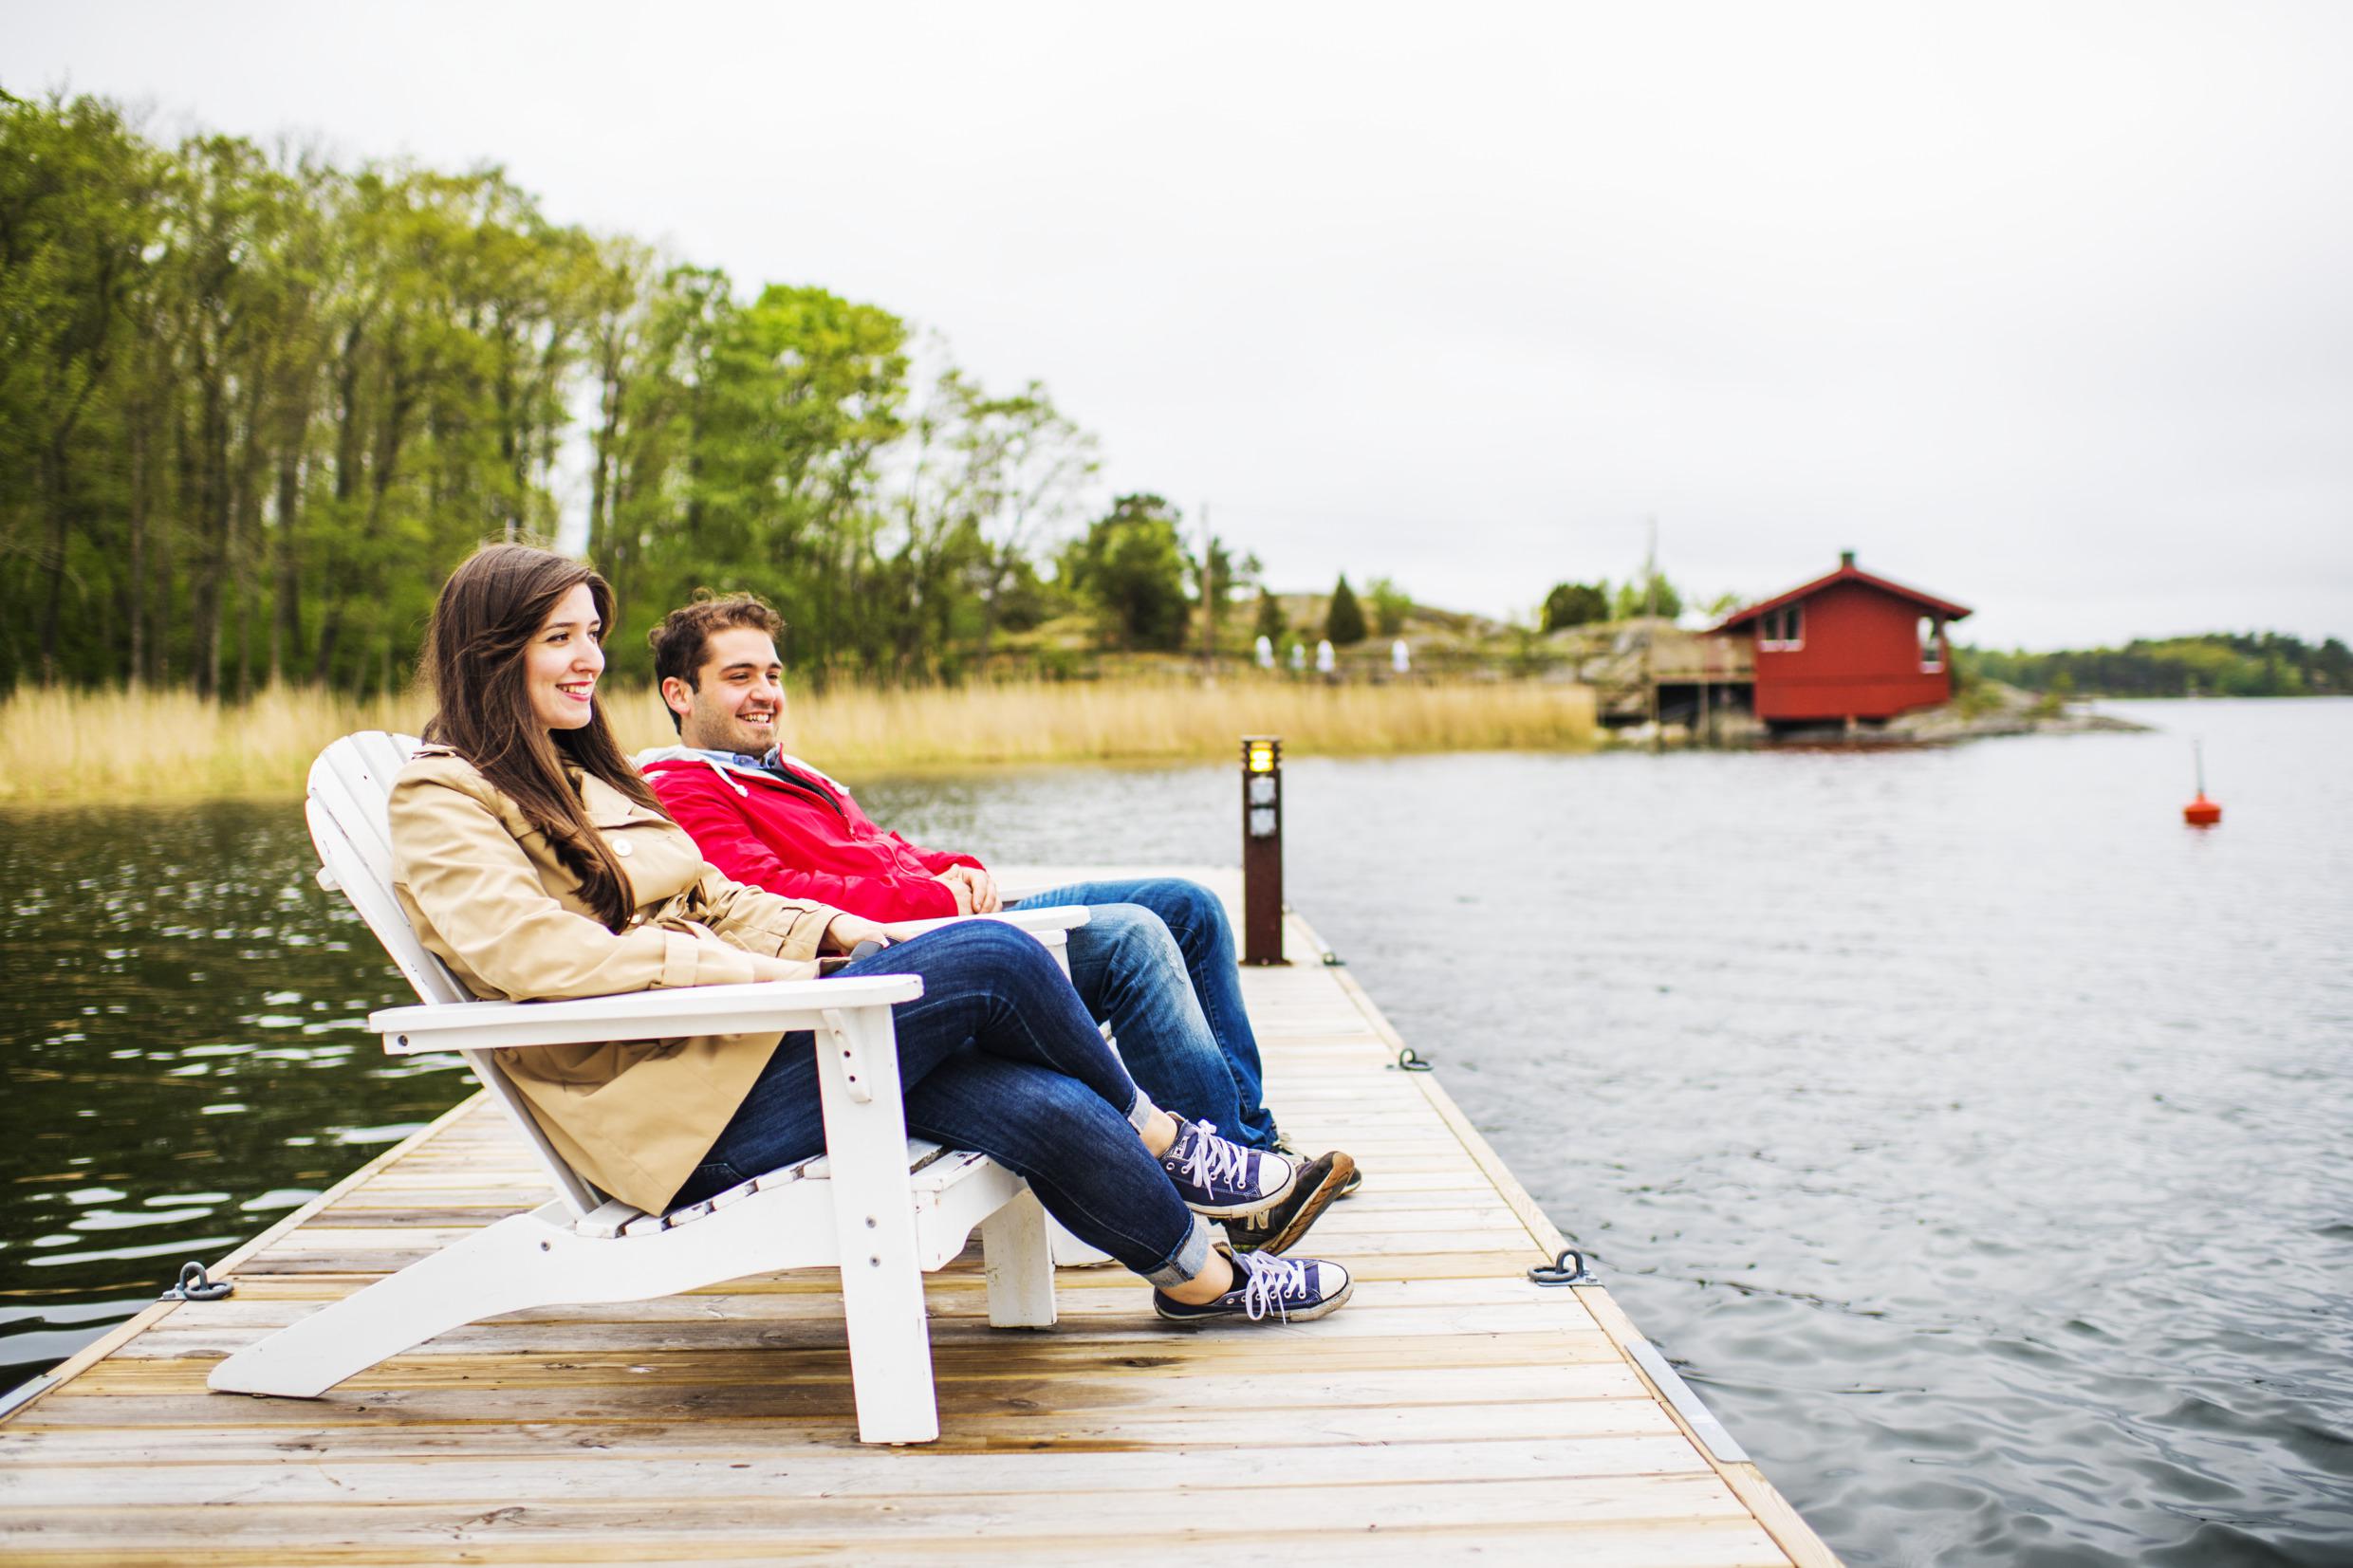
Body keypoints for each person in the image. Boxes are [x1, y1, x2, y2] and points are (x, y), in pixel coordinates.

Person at [384, 544, 1352, 1326]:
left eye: (591, 634)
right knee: (997, 958)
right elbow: (532, 959)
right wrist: (738, 974)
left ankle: (1202, 1282)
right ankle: (1174, 1142)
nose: (588, 659)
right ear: (491, 648)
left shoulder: (585, 779)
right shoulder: (444, 795)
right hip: (680, 1114)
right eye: (560, 638)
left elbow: (721, 899)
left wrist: (837, 933)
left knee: (1040, 1099)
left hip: (746, 1051)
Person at [632, 595, 1362, 1246]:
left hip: (947, 919)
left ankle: (1252, 1146)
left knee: (1188, 904)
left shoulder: (795, 772)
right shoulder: (681, 788)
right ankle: (1237, 1203)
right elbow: (779, 897)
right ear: (679, 692)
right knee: (1137, 937)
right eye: (739, 677)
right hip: (913, 959)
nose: (766, 693)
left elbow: (891, 849)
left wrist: (960, 865)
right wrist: (936, 898)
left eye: (773, 673)